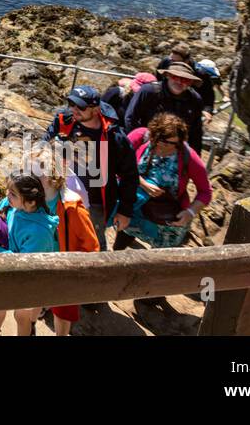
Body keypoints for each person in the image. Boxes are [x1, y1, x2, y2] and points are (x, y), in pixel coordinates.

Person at [42, 85, 138, 251]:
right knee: (58, 234)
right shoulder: (64, 121)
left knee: (92, 241)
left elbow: (130, 175)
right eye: (71, 104)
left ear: (96, 109)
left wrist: (125, 211)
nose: (74, 110)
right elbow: (43, 144)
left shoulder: (114, 137)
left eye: (81, 107)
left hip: (94, 202)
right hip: (60, 191)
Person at [114, 114, 212, 250]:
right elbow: (117, 164)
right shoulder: (140, 137)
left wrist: (190, 212)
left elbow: (205, 192)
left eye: (172, 144)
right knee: (120, 245)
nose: (164, 147)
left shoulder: (188, 156)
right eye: (160, 142)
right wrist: (142, 183)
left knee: (160, 258)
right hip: (132, 206)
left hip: (163, 217)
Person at [35, 143, 99, 336]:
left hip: (65, 269)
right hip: (38, 265)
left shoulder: (72, 207)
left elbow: (91, 247)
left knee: (63, 313)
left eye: (39, 172)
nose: (32, 176)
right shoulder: (31, 200)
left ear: (53, 176)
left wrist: (77, 272)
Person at [0, 173, 59, 336]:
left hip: (29, 279)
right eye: (7, 191)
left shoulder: (39, 231)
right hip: (6, 269)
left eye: (13, 194)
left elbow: (23, 263)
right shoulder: (10, 204)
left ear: (31, 202)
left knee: (21, 316)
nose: (7, 196)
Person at [124, 61, 206, 153]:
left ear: (190, 82)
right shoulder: (149, 91)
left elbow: (196, 132)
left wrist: (194, 156)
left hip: (176, 149)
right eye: (175, 77)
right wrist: (138, 143)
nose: (179, 82)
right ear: (167, 75)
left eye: (185, 79)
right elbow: (130, 118)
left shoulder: (195, 100)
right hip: (146, 144)